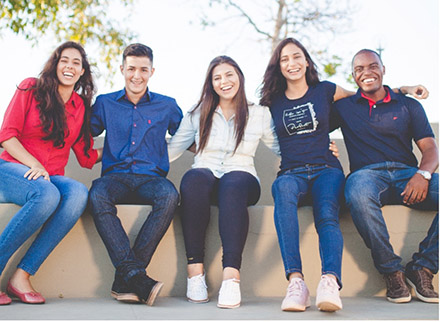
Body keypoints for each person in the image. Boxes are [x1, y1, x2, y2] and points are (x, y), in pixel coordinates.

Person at [259, 37, 426, 313]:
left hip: (327, 169)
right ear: (278, 66)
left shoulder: (325, 90)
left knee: (326, 213)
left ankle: (329, 281)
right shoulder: (271, 102)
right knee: (283, 193)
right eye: (285, 59)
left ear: (307, 61)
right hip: (291, 172)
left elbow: (366, 94)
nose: (292, 63)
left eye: (297, 56)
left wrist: (404, 89)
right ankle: (296, 282)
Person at [167, 56, 283, 309]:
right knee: (193, 179)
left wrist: (319, 150)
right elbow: (171, 150)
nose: (224, 82)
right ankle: (195, 273)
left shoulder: (259, 114)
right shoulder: (198, 113)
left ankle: (231, 277)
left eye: (229, 75)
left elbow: (281, 148)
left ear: (239, 76)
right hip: (205, 176)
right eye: (217, 78)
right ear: (211, 84)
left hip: (242, 178)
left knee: (232, 183)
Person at [331, 49, 438, 304]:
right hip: (366, 176)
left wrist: (423, 175)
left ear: (383, 69)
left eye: (372, 66)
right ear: (353, 76)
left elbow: (430, 148)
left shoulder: (408, 105)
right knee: (356, 192)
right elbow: (316, 99)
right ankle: (392, 272)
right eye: (359, 69)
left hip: (408, 176)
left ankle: (423, 267)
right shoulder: (344, 107)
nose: (366, 72)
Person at [0, 41, 100, 305]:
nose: (69, 66)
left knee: (78, 193)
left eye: (76, 63)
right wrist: (33, 164)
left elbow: (86, 155)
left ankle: (21, 276)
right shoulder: (30, 87)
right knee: (46, 195)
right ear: (55, 64)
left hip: (49, 176)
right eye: (64, 60)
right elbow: (7, 136)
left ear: (82, 72)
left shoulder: (80, 107)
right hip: (12, 167)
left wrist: (127, 150)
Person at [88, 43, 183, 306]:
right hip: (114, 177)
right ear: (122, 69)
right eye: (131, 69)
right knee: (97, 194)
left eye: (143, 69)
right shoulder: (105, 103)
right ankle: (137, 277)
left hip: (152, 179)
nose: (137, 76)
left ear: (152, 71)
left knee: (169, 196)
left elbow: (190, 135)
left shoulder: (167, 105)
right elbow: (82, 132)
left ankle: (127, 278)